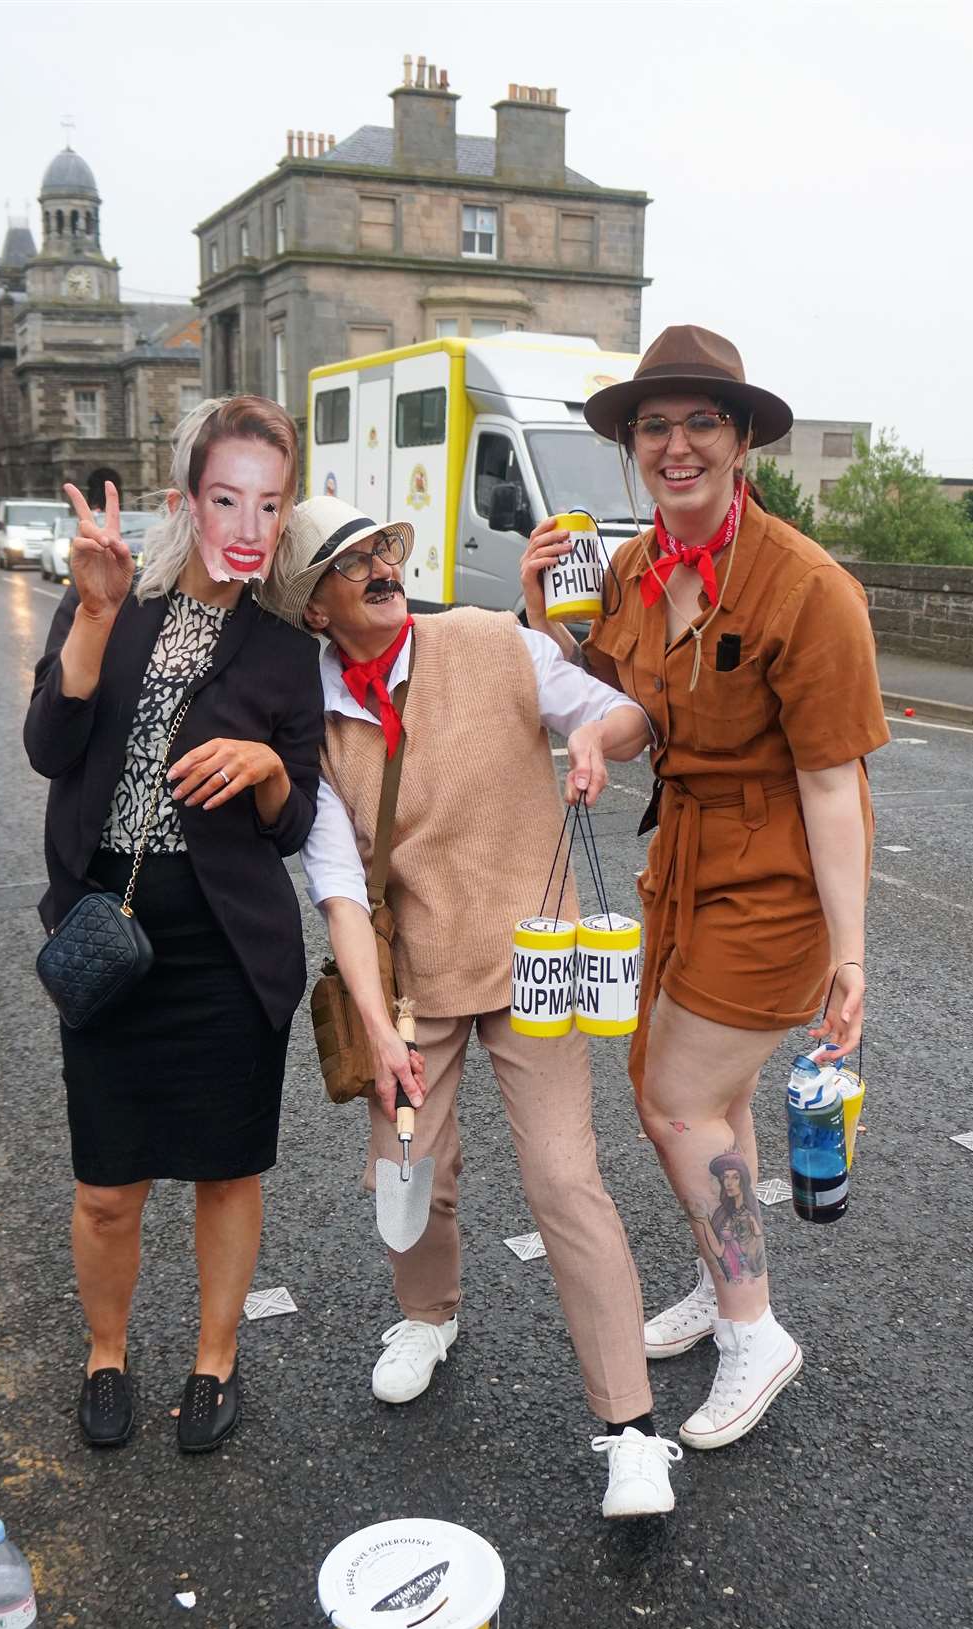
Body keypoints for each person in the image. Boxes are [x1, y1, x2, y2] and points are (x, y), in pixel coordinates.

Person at [266, 495, 683, 1521]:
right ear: (315, 607)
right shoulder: (311, 716)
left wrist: (600, 738)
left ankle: (632, 1429)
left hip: (535, 955)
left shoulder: (490, 643)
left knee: (565, 1177)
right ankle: (427, 1313)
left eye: (378, 548)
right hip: (414, 973)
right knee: (408, 1169)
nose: (376, 564)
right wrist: (375, 1023)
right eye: (347, 560)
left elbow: (616, 715)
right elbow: (339, 890)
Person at [521, 325, 889, 1452]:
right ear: (634, 442)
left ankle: (752, 1328)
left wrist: (850, 951)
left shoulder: (808, 588)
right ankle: (720, 1278)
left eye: (700, 423)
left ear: (740, 441)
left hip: (776, 871)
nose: (675, 445)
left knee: (675, 1098)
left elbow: (834, 788)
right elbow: (628, 713)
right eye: (653, 424)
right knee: (705, 1100)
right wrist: (550, 625)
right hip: (683, 854)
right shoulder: (634, 567)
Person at [24, 397, 323, 1453]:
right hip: (111, 925)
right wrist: (95, 615)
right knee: (108, 1184)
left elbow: (296, 829)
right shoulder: (113, 601)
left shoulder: (285, 651)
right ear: (186, 502)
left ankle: (214, 1357)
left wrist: (270, 770)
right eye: (225, 496)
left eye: (269, 503)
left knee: (224, 1168)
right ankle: (106, 1352)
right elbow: (49, 747)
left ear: (285, 518)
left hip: (227, 944)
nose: (247, 521)